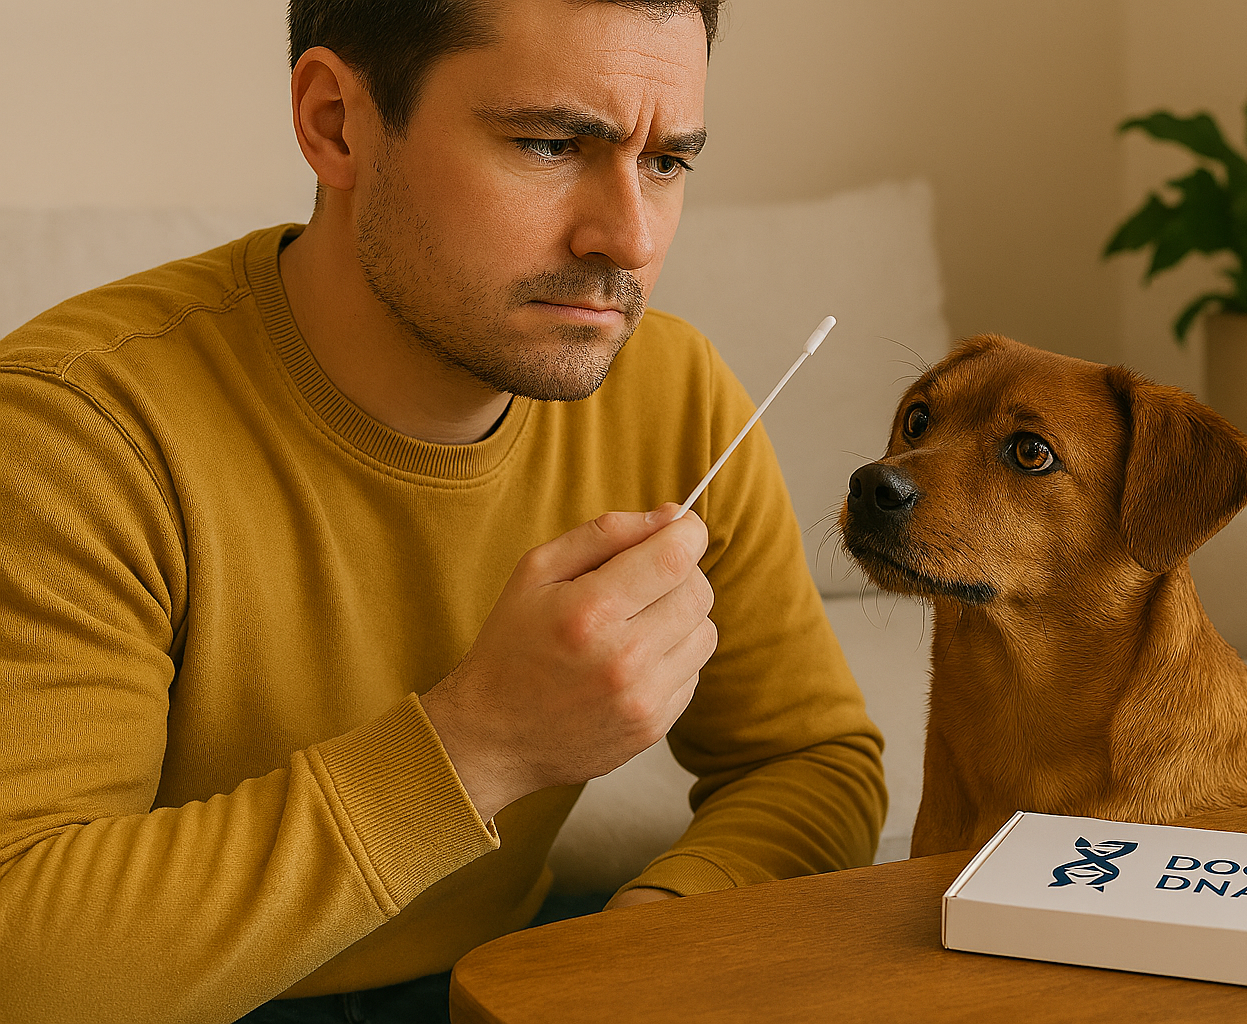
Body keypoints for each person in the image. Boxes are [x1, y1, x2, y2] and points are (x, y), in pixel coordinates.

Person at [0, 1, 886, 1021]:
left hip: (509, 977)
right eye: (551, 144)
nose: (629, 238)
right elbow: (27, 964)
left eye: (667, 162)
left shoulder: (674, 389)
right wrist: (484, 744)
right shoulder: (75, 435)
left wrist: (653, 935)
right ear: (338, 122)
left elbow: (812, 762)